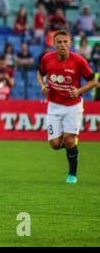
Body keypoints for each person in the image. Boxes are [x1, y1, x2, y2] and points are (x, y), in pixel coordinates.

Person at [37, 30, 98, 183]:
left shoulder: (79, 61)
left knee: (69, 140)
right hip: (54, 106)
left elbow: (93, 81)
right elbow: (40, 73)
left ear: (70, 44)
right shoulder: (47, 59)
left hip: (73, 106)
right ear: (54, 44)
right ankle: (72, 148)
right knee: (54, 144)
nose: (62, 45)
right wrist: (42, 86)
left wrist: (79, 91)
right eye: (59, 42)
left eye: (65, 42)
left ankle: (72, 175)